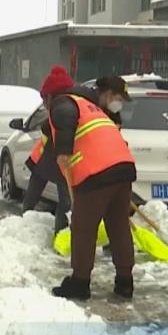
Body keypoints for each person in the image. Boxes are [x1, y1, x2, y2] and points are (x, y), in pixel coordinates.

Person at [41, 65, 138, 301]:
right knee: (118, 226)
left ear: (50, 95)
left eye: (44, 99)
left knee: (84, 228)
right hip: (123, 167)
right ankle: (125, 281)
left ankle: (80, 282)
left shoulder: (64, 102)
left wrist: (64, 151)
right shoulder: (91, 106)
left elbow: (63, 117)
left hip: (97, 171)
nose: (45, 105)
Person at [21, 127, 71, 235]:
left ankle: (61, 235)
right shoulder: (64, 115)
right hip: (45, 158)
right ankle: (24, 227)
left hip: (53, 159)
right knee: (65, 202)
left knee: (65, 202)